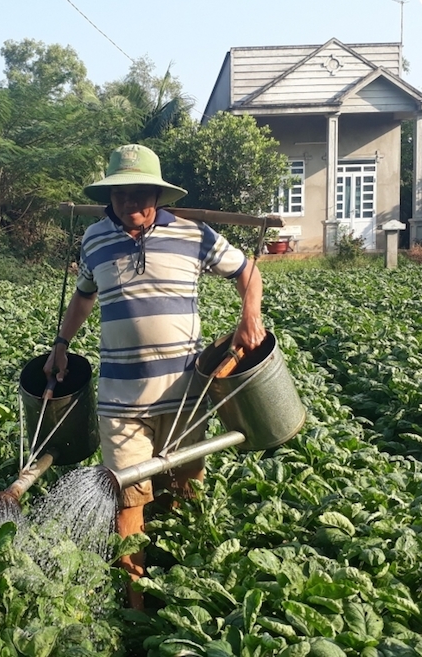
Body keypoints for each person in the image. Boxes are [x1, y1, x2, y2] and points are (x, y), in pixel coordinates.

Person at [45, 143, 265, 609]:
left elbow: (247, 272)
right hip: (121, 401)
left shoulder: (194, 234)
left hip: (184, 397)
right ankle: (136, 602)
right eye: (123, 195)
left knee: (184, 491)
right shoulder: (94, 240)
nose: (134, 204)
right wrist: (61, 345)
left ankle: (181, 588)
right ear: (110, 199)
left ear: (159, 194)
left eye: (143, 192)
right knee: (129, 499)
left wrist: (250, 315)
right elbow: (84, 296)